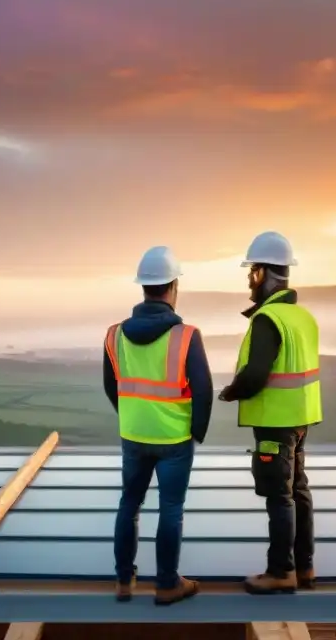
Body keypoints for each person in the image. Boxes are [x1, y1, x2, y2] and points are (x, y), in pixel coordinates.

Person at [103, 245, 213, 606]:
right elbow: (204, 390)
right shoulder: (186, 336)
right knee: (171, 509)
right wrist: (196, 432)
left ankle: (123, 581)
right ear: (173, 287)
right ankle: (167, 584)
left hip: (133, 436)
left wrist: (133, 417)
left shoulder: (114, 335)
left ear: (144, 287)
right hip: (174, 440)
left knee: (129, 504)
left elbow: (111, 386)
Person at [217, 231, 322, 595]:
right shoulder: (302, 318)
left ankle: (280, 572)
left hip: (275, 424)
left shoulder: (268, 319)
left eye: (251, 271)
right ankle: (305, 567)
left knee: (279, 496)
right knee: (299, 491)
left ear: (262, 274)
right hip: (300, 419)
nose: (249, 279)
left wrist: (232, 392)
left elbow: (257, 374)